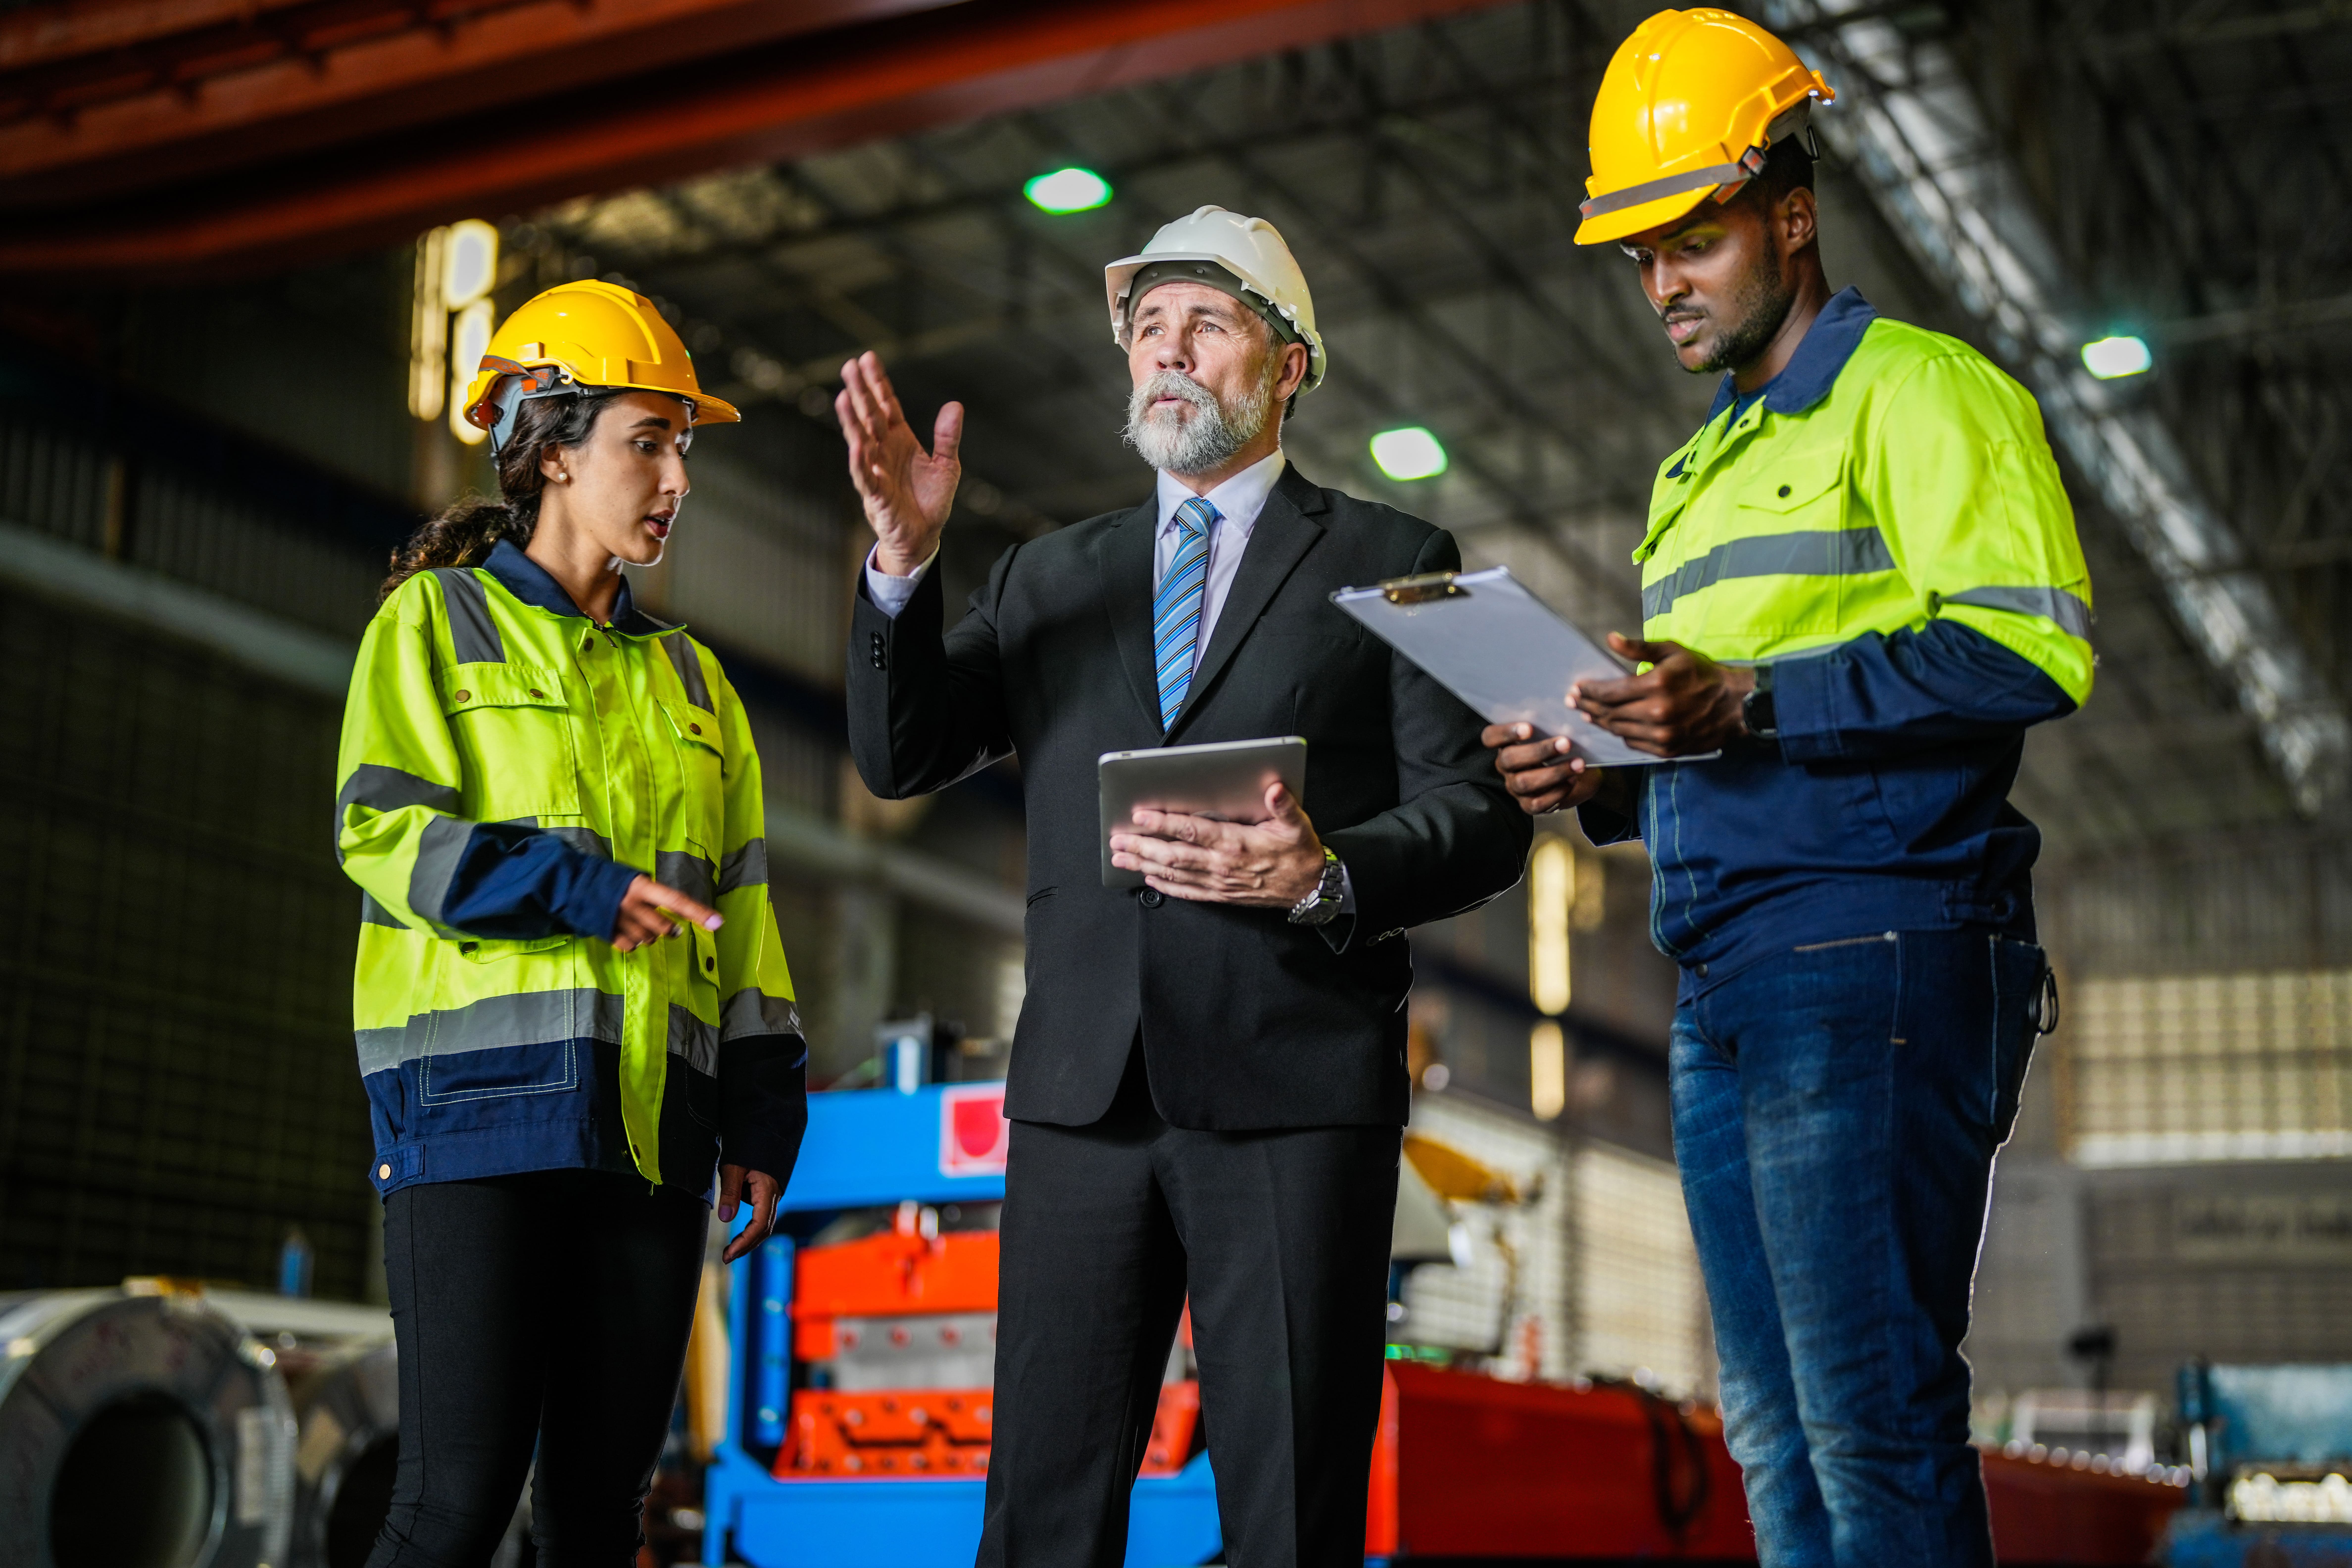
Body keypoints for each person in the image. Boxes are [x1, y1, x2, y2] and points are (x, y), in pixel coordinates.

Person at [838, 205, 1530, 1567]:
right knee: (1040, 1514)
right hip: (1085, 1097)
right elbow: (901, 751)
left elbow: (1483, 815)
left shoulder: (1401, 558)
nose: (1169, 354)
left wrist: (1332, 872)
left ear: (1289, 368)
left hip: (1293, 1094)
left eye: (1207, 326)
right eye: (1148, 329)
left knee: (1285, 1517)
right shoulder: (1051, 574)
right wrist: (905, 568)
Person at [1487, 12, 2092, 1567]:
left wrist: (1750, 694)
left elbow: (2030, 653)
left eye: (1692, 241)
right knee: (1773, 1435)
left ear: (1793, 218)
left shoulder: (1921, 392)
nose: (1663, 284)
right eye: (1640, 257)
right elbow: (1713, 751)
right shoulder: (1691, 481)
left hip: (1874, 951)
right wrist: (1600, 769)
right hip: (1723, 975)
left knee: (1872, 1418)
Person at [335, 279, 809, 1565]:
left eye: (683, 448)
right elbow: (385, 838)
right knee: (452, 1509)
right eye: (646, 443)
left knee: (600, 1522)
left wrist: (767, 1104)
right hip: (472, 1118)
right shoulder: (436, 624)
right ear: (552, 448)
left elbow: (745, 918)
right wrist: (585, 894)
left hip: (651, 1132)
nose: (677, 479)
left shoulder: (698, 685)